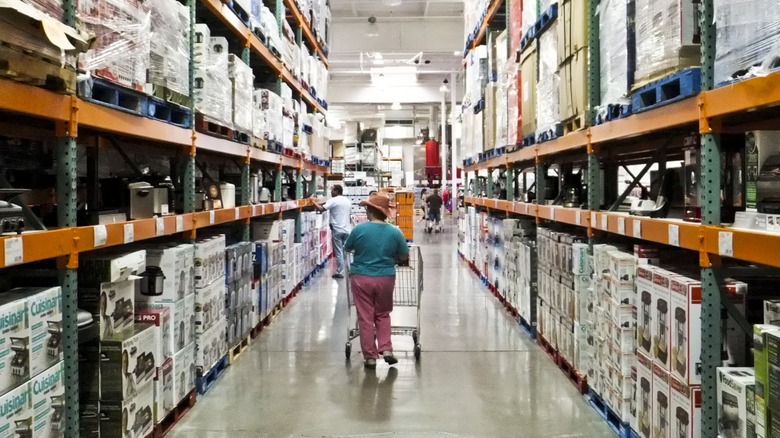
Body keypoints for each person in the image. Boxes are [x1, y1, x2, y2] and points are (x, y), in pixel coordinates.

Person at [344, 192, 409, 369]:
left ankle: (370, 357)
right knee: (382, 313)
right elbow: (404, 254)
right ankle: (386, 349)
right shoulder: (395, 232)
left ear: (370, 211)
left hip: (361, 277)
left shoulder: (359, 229)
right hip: (386, 278)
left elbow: (347, 248)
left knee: (365, 317)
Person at [313, 185, 352, 278]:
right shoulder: (347, 201)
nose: (331, 192)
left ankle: (340, 272)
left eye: (332, 190)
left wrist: (313, 202)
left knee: (339, 252)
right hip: (347, 229)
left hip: (337, 230)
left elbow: (321, 209)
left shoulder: (333, 200)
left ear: (336, 191)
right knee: (347, 251)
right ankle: (351, 271)